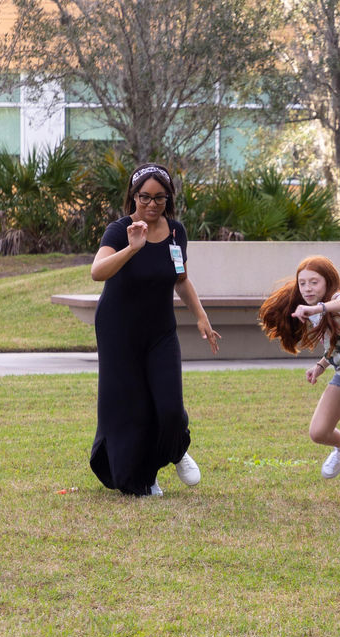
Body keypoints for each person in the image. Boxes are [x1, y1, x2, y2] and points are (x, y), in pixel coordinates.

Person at [88, 163, 220, 497]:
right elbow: (97, 272)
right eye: (144, 197)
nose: (151, 204)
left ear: (168, 198)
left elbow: (182, 279)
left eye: (160, 197)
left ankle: (175, 450)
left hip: (160, 330)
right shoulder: (119, 230)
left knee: (170, 404)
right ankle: (144, 474)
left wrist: (202, 317)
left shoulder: (176, 232)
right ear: (133, 197)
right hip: (119, 330)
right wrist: (132, 248)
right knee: (130, 406)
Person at [258, 256, 340, 504]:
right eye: (303, 283)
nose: (308, 289)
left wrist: (319, 308)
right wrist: (321, 366)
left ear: (328, 282)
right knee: (319, 432)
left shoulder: (338, 300)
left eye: (314, 282)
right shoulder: (314, 312)